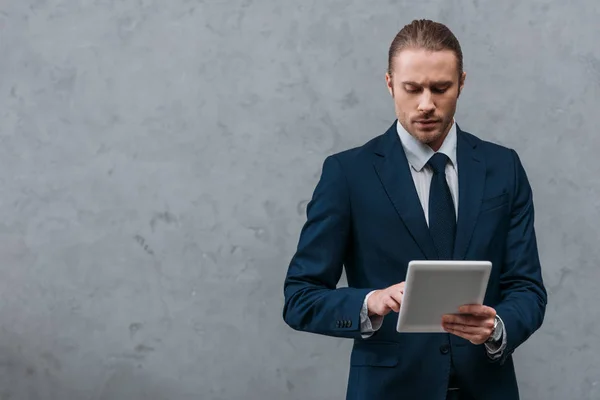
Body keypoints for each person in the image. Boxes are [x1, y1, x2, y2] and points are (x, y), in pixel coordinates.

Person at [282, 19, 547, 400]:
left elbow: (527, 287)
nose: (426, 104)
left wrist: (498, 326)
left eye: (441, 88)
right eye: (412, 88)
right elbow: (299, 297)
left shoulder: (503, 168)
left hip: (488, 389)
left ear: (462, 83)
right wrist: (369, 303)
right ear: (390, 83)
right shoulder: (347, 174)